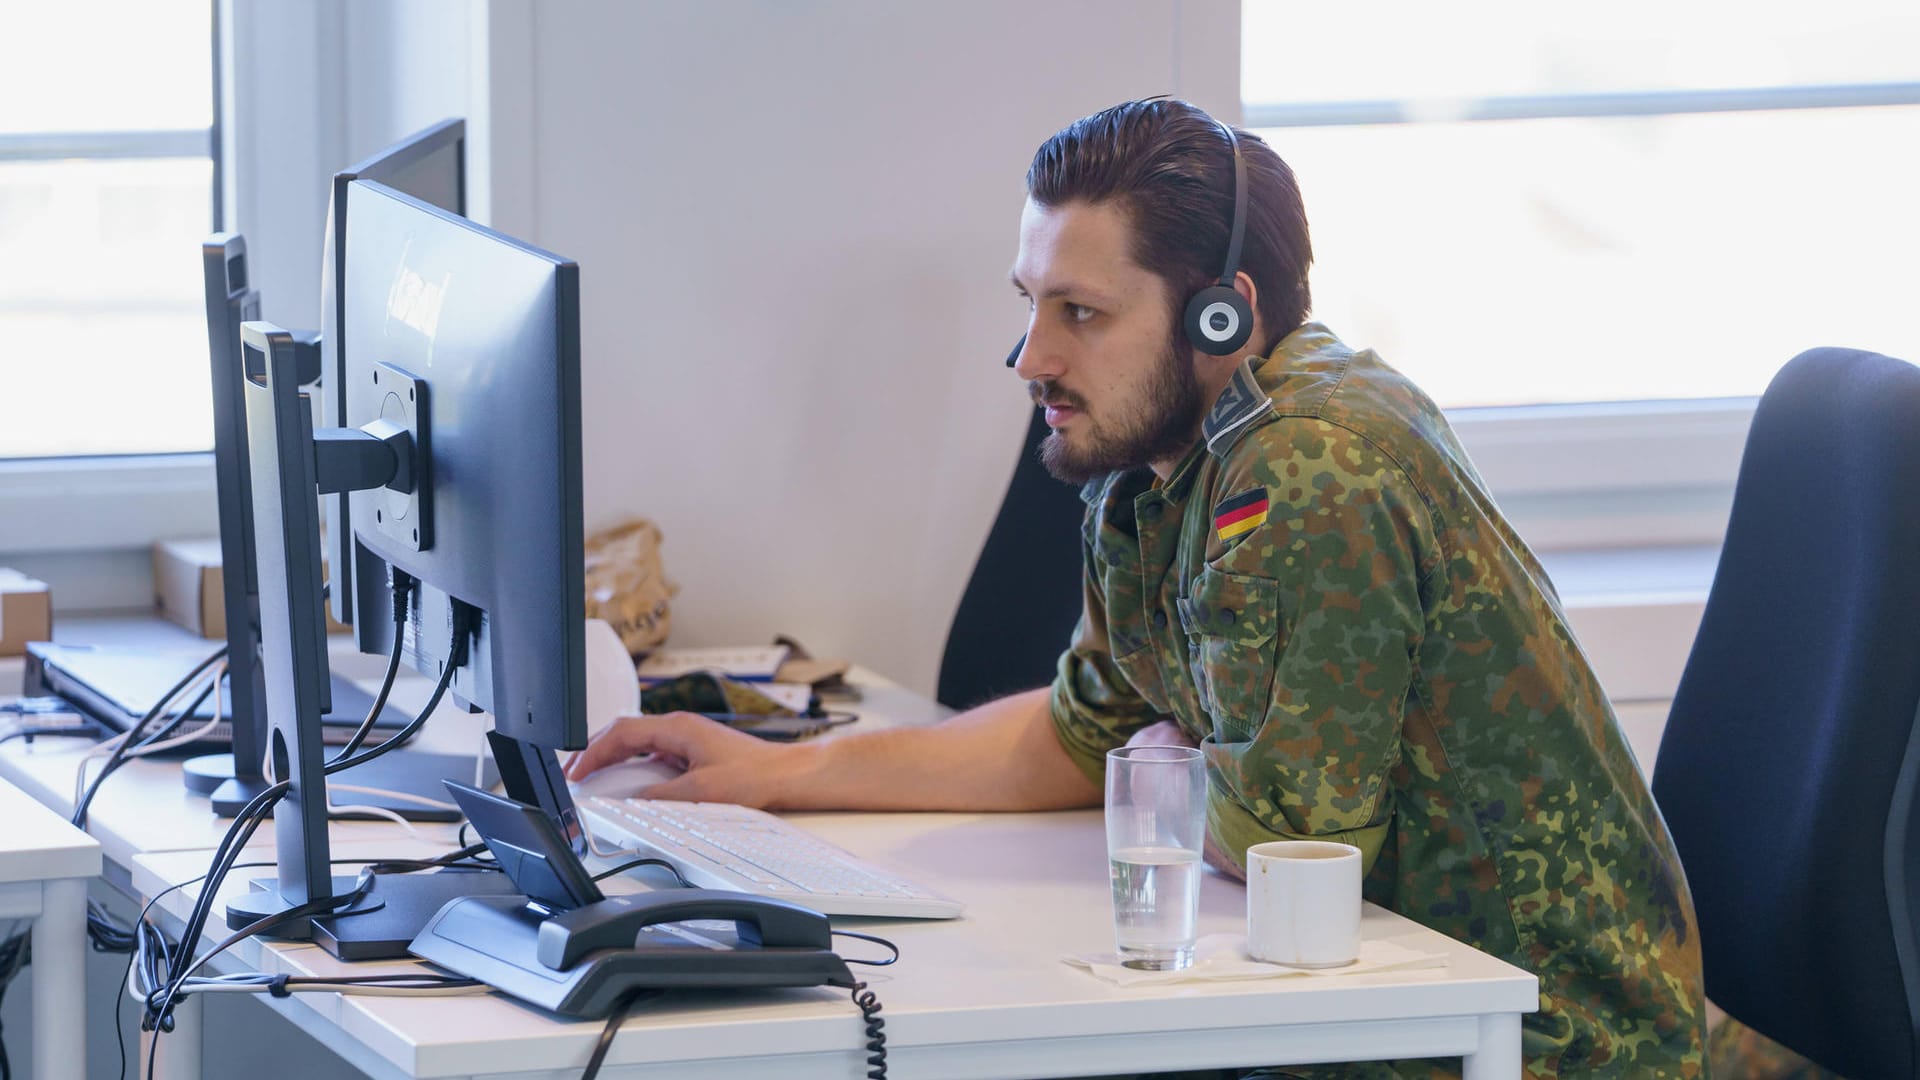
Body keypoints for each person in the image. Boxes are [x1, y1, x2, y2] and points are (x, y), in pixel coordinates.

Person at [567, 98, 1707, 1078]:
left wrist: (1169, 761)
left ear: (1224, 316)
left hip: (1535, 1036)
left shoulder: (1312, 467)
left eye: (1082, 314)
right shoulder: (1157, 461)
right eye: (1031, 303)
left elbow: (1287, 847)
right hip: (1368, 998)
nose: (1031, 359)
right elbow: (1083, 735)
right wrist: (780, 777)